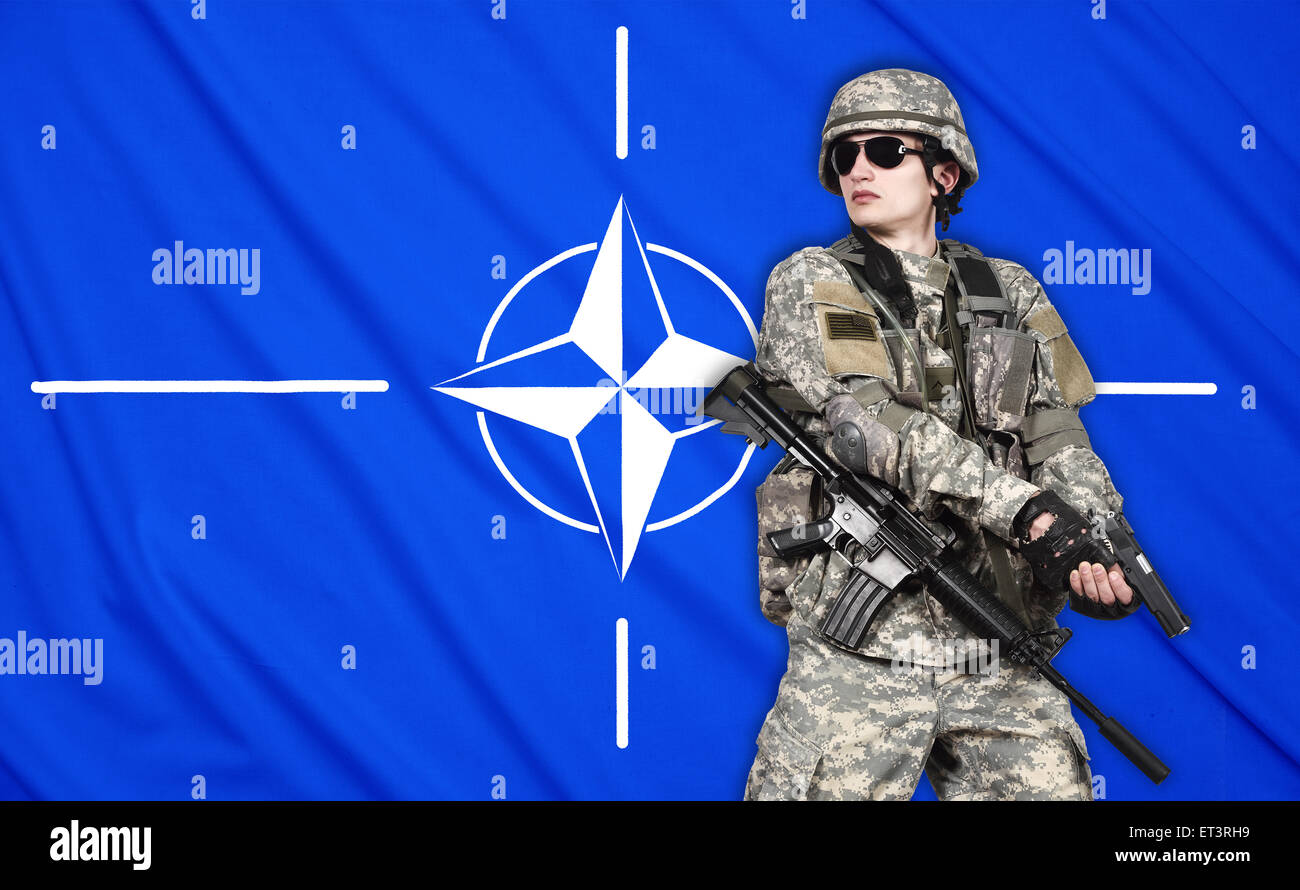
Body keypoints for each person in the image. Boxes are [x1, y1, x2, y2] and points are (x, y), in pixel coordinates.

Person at [744, 68, 1140, 801]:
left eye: (887, 150)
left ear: (943, 172)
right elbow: (870, 426)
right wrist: (1027, 513)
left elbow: (1057, 435)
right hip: (859, 650)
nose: (859, 168)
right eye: (845, 155)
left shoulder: (1008, 290)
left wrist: (1095, 543)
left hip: (995, 634)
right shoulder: (811, 279)